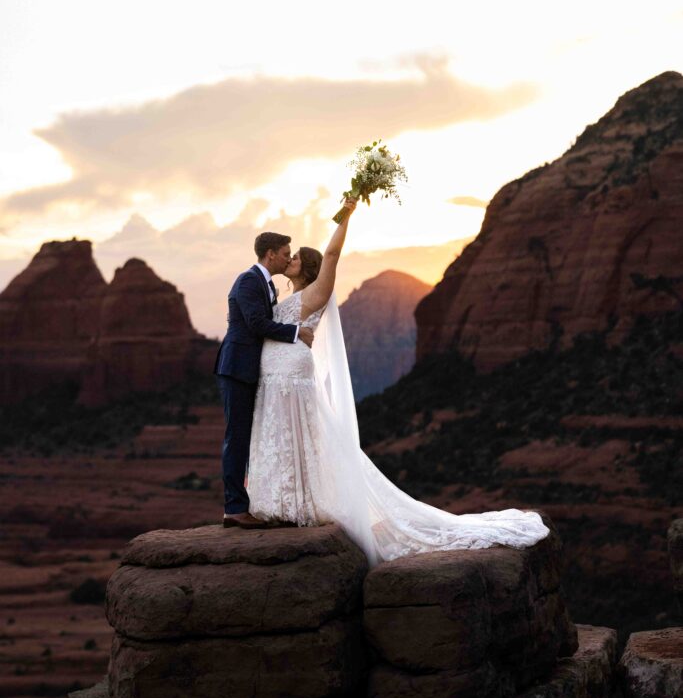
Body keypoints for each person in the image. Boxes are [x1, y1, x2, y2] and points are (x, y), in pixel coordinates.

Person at [247, 200, 550, 564]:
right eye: (287, 254)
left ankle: (297, 504)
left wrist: (346, 213)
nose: (290, 257)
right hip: (274, 374)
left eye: (295, 256)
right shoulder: (283, 294)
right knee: (283, 432)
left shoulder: (316, 291)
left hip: (293, 374)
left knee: (299, 430)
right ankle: (282, 499)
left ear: (308, 268)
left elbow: (331, 254)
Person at [214, 231, 315, 529]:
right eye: (286, 253)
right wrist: (298, 333)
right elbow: (256, 323)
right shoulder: (248, 280)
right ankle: (234, 509)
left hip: (249, 369)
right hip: (236, 368)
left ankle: (241, 504)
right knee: (236, 437)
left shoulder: (266, 284)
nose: (288, 258)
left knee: (245, 436)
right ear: (270, 254)